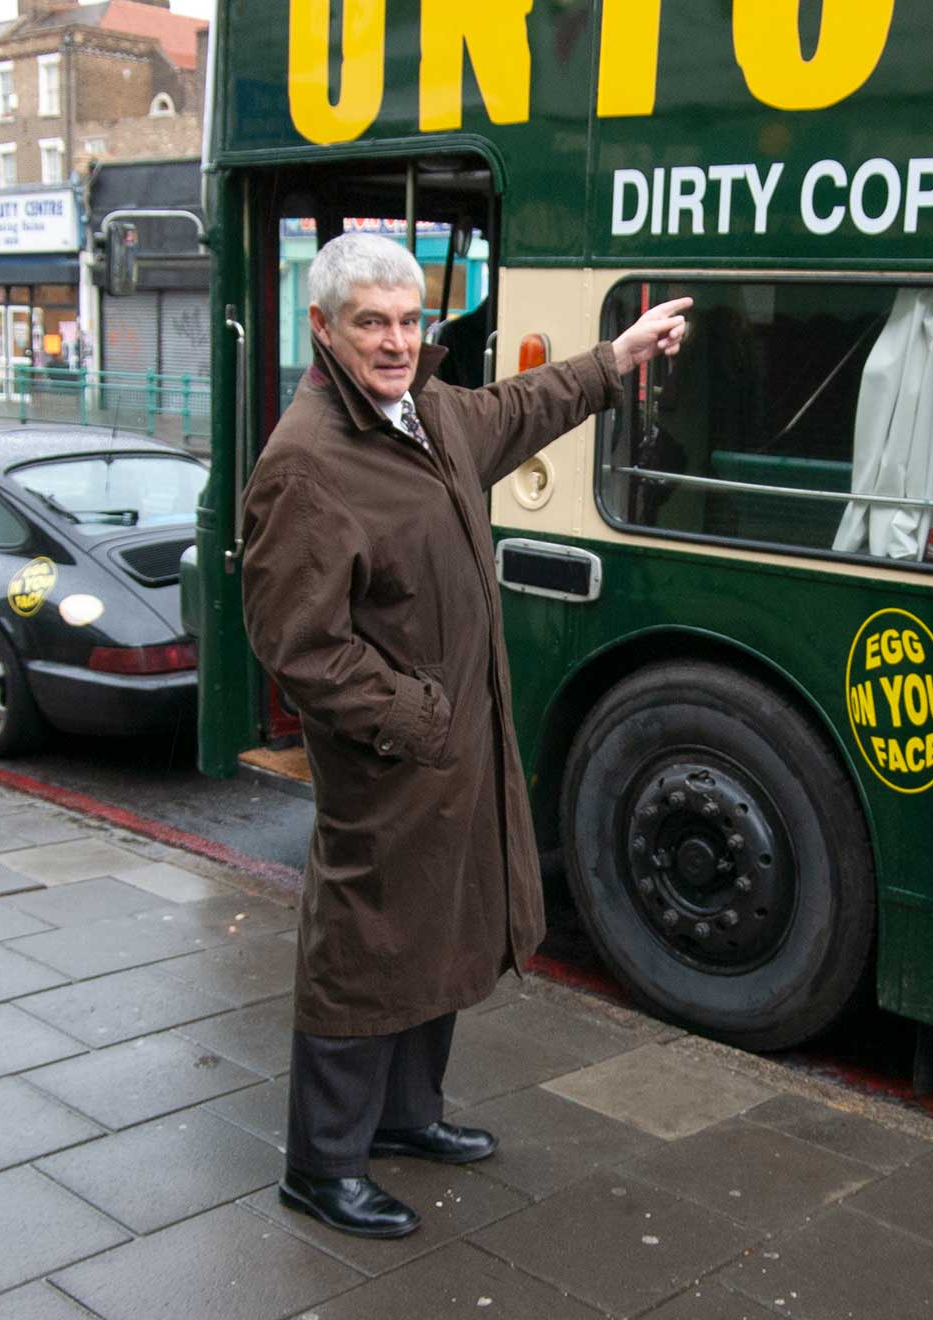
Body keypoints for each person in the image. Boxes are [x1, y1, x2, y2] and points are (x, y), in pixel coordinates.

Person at [239, 232, 689, 1239]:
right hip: (390, 756)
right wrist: (420, 719)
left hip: (452, 744)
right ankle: (320, 1165)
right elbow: (296, 645)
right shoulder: (307, 463)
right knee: (364, 945)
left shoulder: (429, 410)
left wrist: (614, 359)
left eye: (408, 321)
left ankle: (405, 1118)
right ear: (323, 330)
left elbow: (518, 408)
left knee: (440, 928)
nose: (396, 341)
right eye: (371, 324)